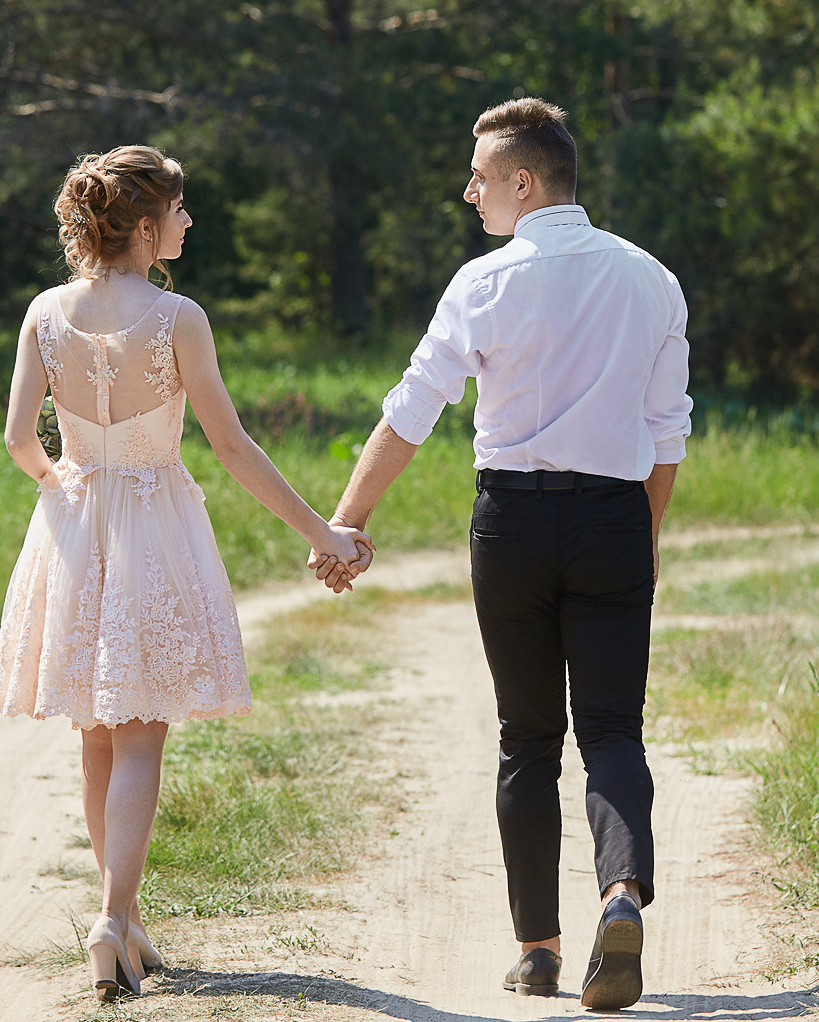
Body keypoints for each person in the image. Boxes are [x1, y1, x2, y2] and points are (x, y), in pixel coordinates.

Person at [309, 98, 692, 1012]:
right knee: (612, 730)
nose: (468, 188)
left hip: (511, 525)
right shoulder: (652, 279)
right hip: (612, 518)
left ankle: (540, 952)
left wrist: (346, 522)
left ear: (525, 181)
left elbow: (412, 411)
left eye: (480, 174)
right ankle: (622, 896)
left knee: (527, 737)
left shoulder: (482, 283)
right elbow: (667, 434)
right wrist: (641, 538)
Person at [0, 145, 371, 1002]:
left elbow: (19, 439)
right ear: (142, 224)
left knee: (96, 727)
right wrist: (322, 530)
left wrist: (68, 494)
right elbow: (230, 445)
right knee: (140, 730)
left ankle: (121, 920)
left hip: (75, 518)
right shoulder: (178, 317)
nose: (189, 220)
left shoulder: (43, 312)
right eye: (180, 208)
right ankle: (112, 916)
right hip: (156, 524)